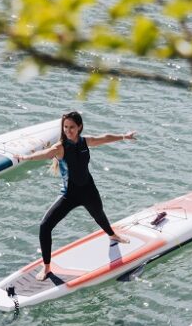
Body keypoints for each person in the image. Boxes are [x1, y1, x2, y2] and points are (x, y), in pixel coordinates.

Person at [17, 110, 137, 281]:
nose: (68, 130)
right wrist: (26, 157)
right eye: (65, 127)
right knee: (45, 226)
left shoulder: (85, 141)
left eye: (72, 127)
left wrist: (124, 137)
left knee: (99, 214)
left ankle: (112, 235)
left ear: (79, 127)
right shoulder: (60, 147)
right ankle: (47, 267)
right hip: (69, 196)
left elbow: (104, 137)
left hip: (89, 190)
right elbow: (45, 154)